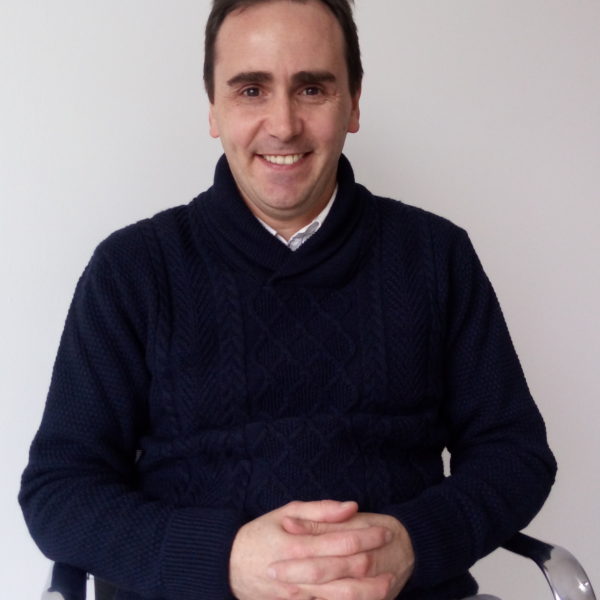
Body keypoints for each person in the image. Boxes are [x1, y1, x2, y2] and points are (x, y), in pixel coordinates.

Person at [20, 1, 557, 599]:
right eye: (251, 90)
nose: (283, 125)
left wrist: (411, 542)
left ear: (354, 104)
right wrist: (225, 559)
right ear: (214, 109)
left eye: (312, 89)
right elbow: (59, 492)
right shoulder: (133, 270)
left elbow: (516, 455)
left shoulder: (435, 256)